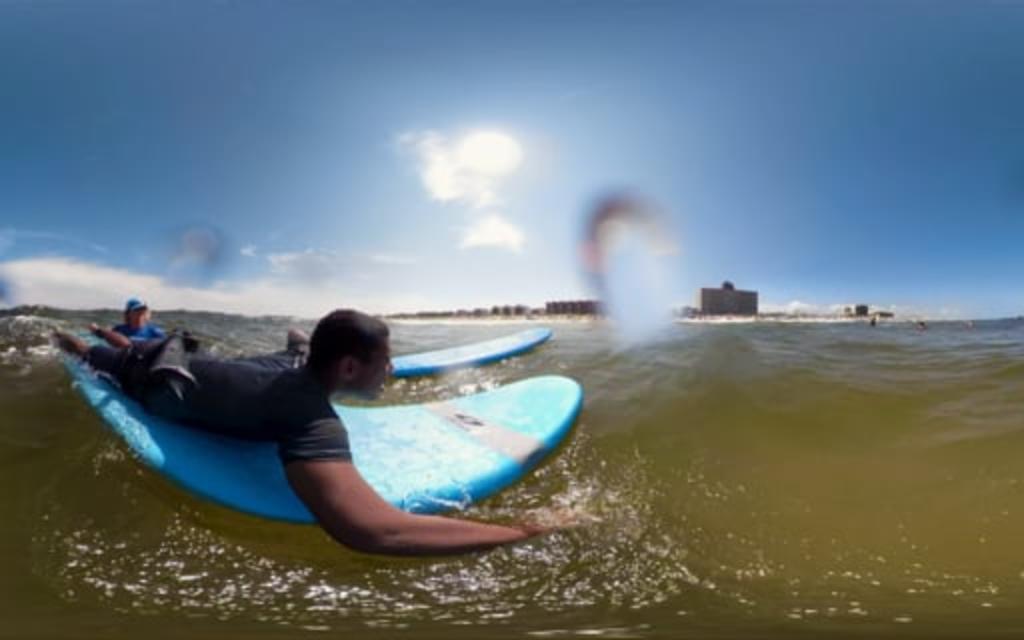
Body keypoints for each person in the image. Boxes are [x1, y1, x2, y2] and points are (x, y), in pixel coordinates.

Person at [54, 309, 554, 556]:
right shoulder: (310, 416)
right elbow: (375, 530)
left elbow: (298, 355)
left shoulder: (297, 369)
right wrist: (526, 529)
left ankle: (101, 335)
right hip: (148, 375)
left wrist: (301, 345)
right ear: (351, 367)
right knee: (89, 353)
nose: (393, 370)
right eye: (386, 362)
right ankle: (77, 337)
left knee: (128, 348)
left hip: (184, 359)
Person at [91, 298, 166, 348]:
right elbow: (105, 336)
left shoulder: (155, 331)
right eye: (137, 309)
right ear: (129, 313)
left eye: (143, 309)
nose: (140, 312)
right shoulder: (119, 329)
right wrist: (96, 330)